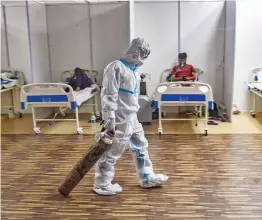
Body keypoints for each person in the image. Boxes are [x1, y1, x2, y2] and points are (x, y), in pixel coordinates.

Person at [93, 38, 168, 195]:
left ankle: (146, 176)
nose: (144, 57)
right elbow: (108, 94)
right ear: (136, 50)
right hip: (119, 119)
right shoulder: (116, 67)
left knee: (141, 146)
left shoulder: (134, 71)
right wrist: (109, 118)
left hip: (132, 118)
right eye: (143, 53)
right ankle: (102, 183)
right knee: (113, 151)